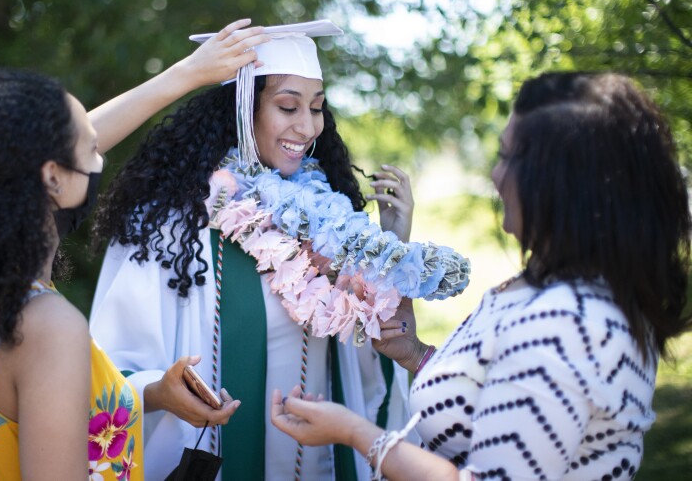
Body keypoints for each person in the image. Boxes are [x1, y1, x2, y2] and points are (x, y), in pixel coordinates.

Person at [89, 20, 470, 480]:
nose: (307, 126)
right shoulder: (169, 224)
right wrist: (157, 391)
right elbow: (108, 369)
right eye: (288, 107)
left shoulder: (330, 224)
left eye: (316, 108)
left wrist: (388, 250)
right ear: (242, 112)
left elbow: (374, 358)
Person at [0, 19, 268, 480]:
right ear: (50, 176)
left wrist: (152, 395)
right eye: (91, 149)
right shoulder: (47, 326)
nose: (100, 159)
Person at [271, 72, 691, 481]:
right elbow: (506, 403)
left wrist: (355, 433)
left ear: (560, 184)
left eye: (508, 157)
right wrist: (417, 355)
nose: (494, 175)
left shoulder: (567, 321)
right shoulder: (560, 286)